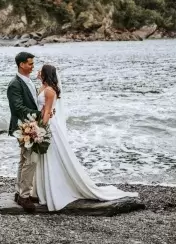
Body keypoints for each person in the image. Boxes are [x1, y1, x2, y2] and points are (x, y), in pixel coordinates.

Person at [33, 64, 139, 211]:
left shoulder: (50, 91)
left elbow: (47, 112)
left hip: (48, 126)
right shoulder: (42, 88)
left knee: (52, 157)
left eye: (40, 70)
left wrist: (40, 128)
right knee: (45, 157)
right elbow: (41, 108)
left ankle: (56, 189)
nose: (37, 72)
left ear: (45, 74)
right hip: (42, 122)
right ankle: (43, 190)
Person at [7, 52, 41, 213]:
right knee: (31, 160)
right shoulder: (15, 84)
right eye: (30, 63)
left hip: (30, 125)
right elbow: (18, 108)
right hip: (23, 126)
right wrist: (39, 114)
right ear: (21, 64)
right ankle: (25, 196)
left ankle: (19, 192)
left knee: (24, 159)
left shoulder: (29, 82)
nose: (33, 66)